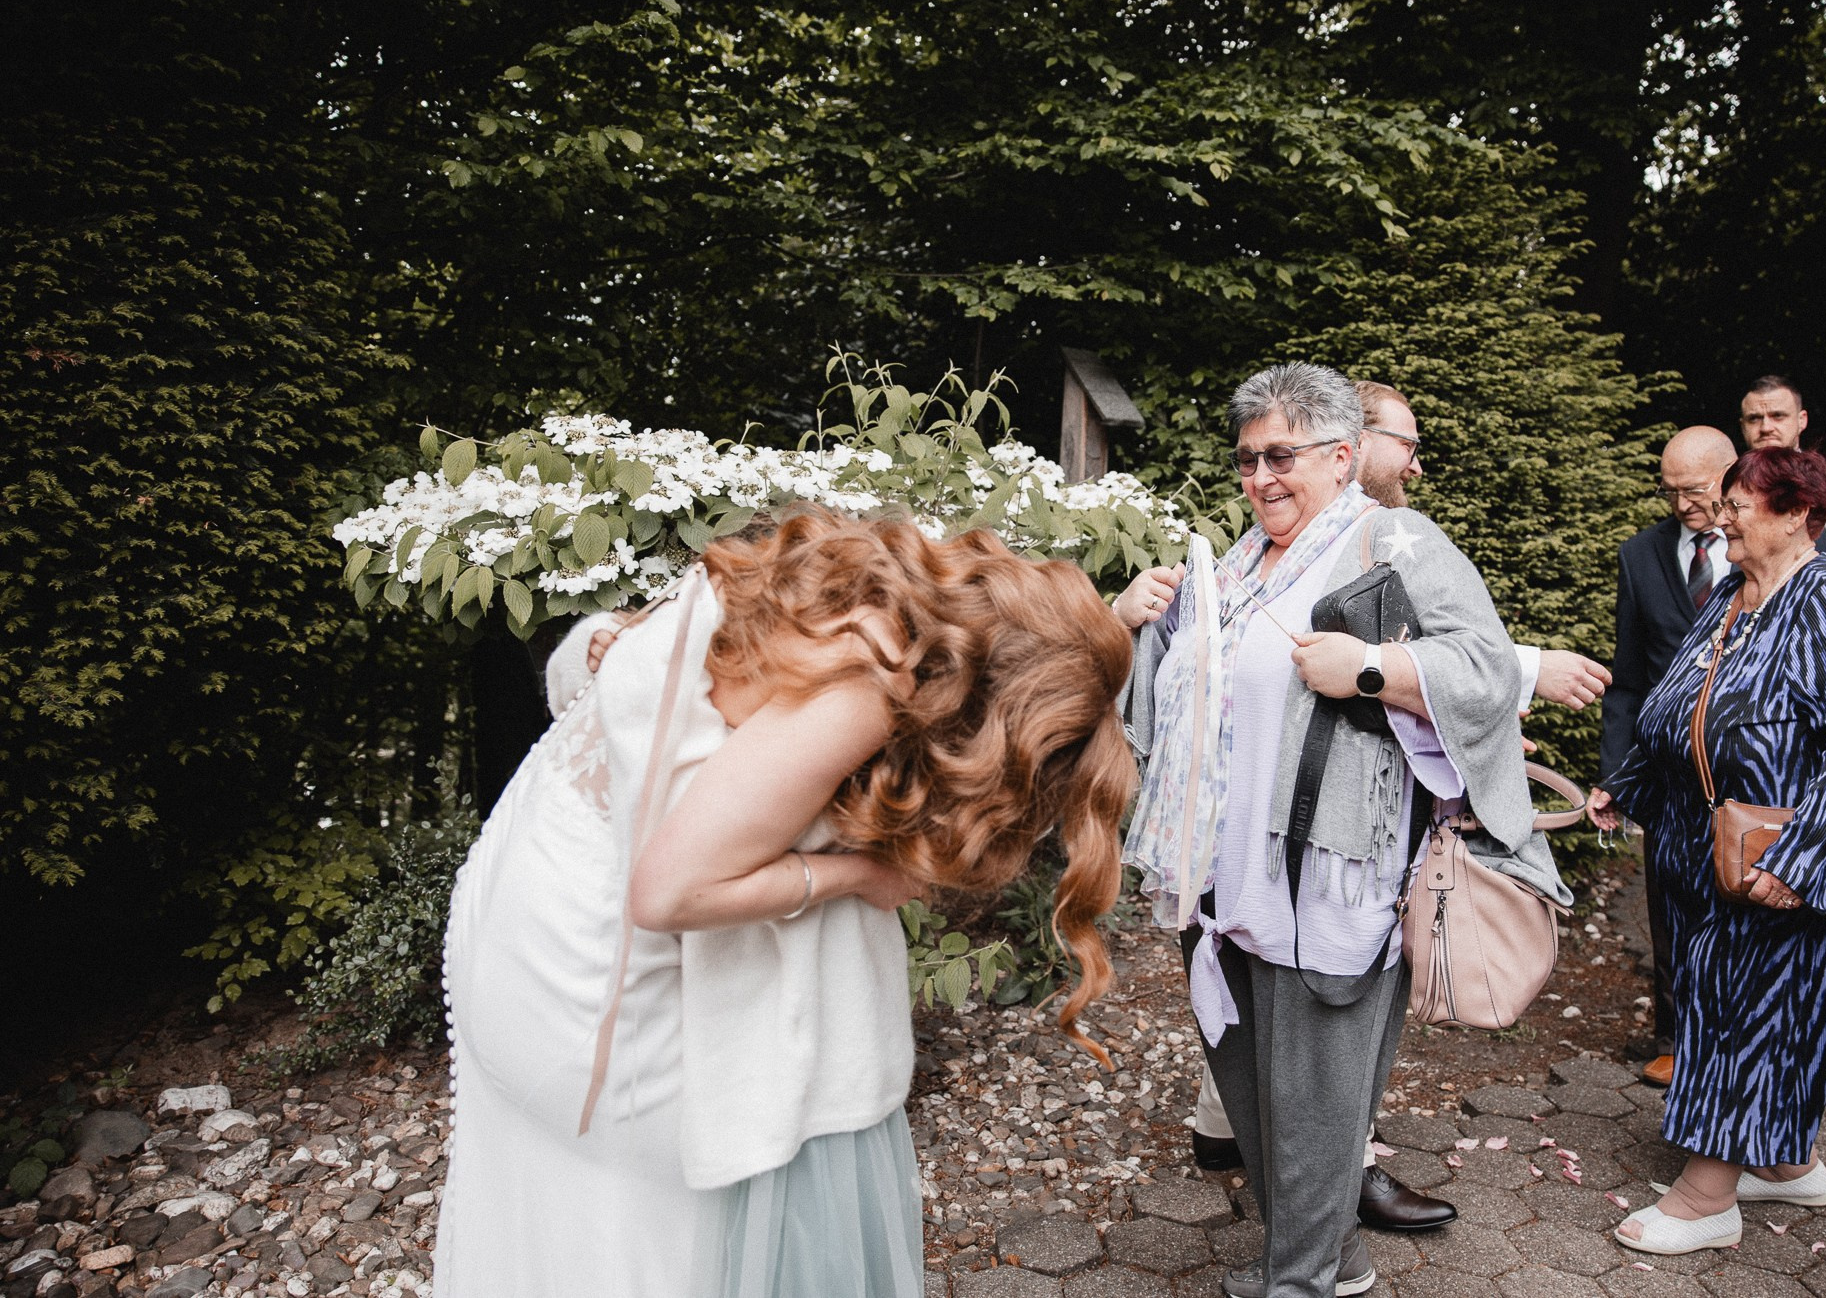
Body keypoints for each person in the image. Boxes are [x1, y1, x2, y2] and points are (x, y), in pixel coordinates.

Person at [433, 511, 1137, 1298]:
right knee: (658, 1232)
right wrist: (853, 878)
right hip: (587, 977)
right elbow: (670, 890)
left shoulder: (872, 577)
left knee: (576, 1222)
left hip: (524, 889)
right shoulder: (877, 674)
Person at [1118, 363, 1571, 1297]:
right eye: (1247, 459)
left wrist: (1370, 666)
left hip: (1332, 874)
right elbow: (1181, 693)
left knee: (1318, 1102)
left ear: (1342, 454)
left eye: (1281, 455)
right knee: (1248, 1090)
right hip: (1221, 872)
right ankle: (1344, 1257)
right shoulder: (1240, 562)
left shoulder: (1390, 538)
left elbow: (1483, 666)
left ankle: (1302, 1281)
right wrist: (1134, 623)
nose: (1260, 477)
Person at [1588, 447, 1826, 1257]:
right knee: (1715, 1002)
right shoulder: (1736, 591)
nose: (1723, 518)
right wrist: (1626, 784)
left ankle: (1708, 1197)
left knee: (1751, 1016)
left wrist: (1799, 856)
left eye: (1742, 504)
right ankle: (1787, 1160)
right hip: (1713, 850)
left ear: (1798, 512)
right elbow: (1681, 708)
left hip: (1787, 857)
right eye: (1724, 502)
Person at [1603, 426, 1740, 1089]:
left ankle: (1740, 1035)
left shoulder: (1761, 544)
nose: (1683, 504)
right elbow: (1627, 675)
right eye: (1671, 492)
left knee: (1739, 896)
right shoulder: (1640, 554)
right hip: (1667, 768)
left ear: (1729, 476)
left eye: (1695, 490)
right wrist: (1615, 773)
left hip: (1746, 765)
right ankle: (1674, 1035)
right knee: (1669, 900)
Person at [1738, 375, 1826, 574]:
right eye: (1754, 419)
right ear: (1743, 426)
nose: (1766, 428)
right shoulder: (1725, 492)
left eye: (1778, 416)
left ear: (1802, 421)